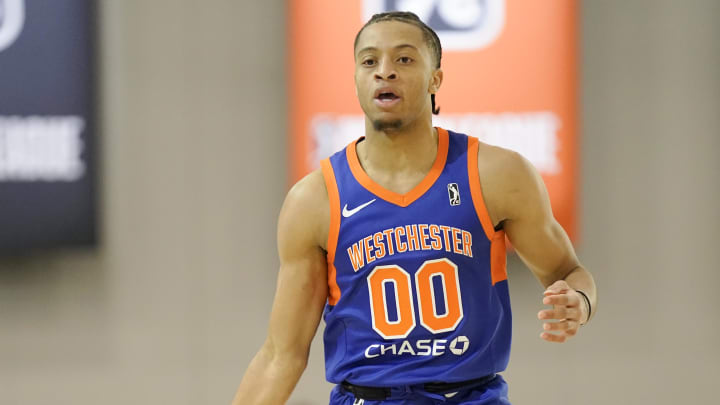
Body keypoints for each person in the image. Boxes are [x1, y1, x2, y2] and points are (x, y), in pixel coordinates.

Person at [232, 11, 597, 405]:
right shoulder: (315, 199)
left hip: (470, 396)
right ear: (355, 78)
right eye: (369, 61)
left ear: (435, 78)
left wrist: (580, 302)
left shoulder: (496, 173)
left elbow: (569, 272)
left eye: (403, 59)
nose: (384, 72)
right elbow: (280, 355)